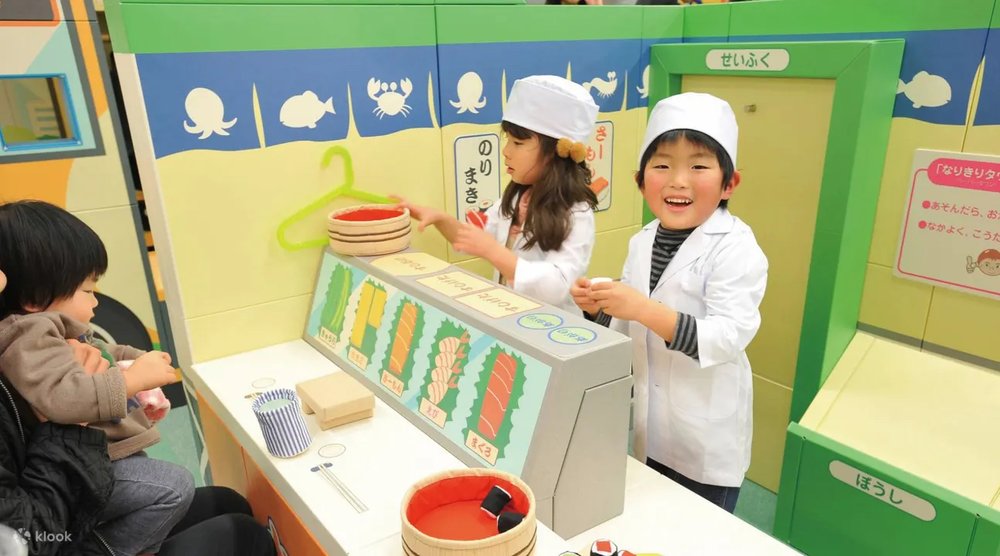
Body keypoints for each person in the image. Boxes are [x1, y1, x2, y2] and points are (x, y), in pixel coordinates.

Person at [571, 92, 768, 512]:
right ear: (640, 181)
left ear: (729, 183)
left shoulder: (736, 247)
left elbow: (728, 335)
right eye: (662, 166)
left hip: (706, 441)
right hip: (651, 426)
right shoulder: (642, 242)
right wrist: (599, 306)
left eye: (698, 166)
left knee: (697, 533)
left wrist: (640, 307)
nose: (678, 180)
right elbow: (632, 327)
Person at [0, 201, 191, 555]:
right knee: (174, 488)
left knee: (169, 490)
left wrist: (137, 360)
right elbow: (63, 397)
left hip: (86, 463)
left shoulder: (51, 328)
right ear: (34, 298)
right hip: (61, 481)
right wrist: (132, 381)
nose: (95, 302)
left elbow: (103, 352)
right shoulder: (31, 336)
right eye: (88, 291)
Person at [398, 75, 599, 314]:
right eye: (508, 141)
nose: (506, 151)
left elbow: (558, 286)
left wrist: (494, 252)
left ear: (556, 151)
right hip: (512, 318)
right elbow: (475, 237)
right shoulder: (516, 199)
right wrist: (442, 219)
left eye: (517, 143)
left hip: (554, 328)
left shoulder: (577, 213)